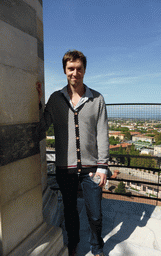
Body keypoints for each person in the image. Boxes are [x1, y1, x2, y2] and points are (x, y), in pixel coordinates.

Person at [36, 50, 109, 256]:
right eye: (70, 69)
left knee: (95, 213)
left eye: (78, 69)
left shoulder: (97, 99)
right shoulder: (56, 99)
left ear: (84, 70)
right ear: (64, 71)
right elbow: (42, 128)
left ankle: (97, 247)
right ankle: (74, 243)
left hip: (92, 169)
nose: (74, 73)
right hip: (64, 169)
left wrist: (103, 166)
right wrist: (38, 102)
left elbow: (103, 133)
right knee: (69, 212)